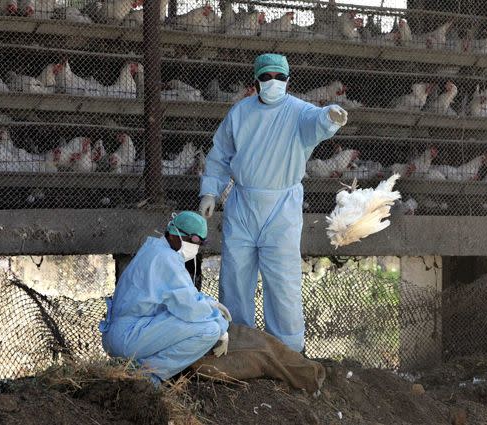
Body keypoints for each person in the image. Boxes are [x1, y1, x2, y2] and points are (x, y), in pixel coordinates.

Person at [198, 53, 348, 353]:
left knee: (283, 281)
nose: (273, 82)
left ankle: (288, 352)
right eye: (266, 77)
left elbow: (317, 121)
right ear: (256, 81)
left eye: (279, 77)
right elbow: (219, 155)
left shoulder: (298, 112)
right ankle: (237, 347)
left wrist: (331, 114)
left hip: (282, 208)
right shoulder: (240, 113)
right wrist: (209, 192)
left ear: (288, 81)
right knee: (235, 277)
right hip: (242, 204)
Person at [99, 211, 231, 386]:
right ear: (175, 234)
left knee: (207, 322)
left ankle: (138, 371)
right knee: (210, 330)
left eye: (200, 242)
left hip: (126, 331)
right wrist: (222, 328)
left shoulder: (156, 249)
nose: (195, 247)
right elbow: (189, 308)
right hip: (129, 336)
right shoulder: (166, 259)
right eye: (192, 241)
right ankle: (145, 377)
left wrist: (208, 302)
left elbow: (180, 297)